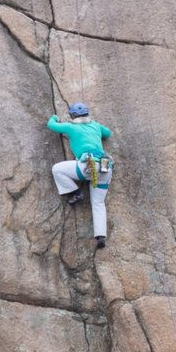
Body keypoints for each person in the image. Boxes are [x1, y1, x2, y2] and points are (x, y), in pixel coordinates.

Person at [49, 102, 115, 250]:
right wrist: (94, 126)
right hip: (104, 166)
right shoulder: (96, 126)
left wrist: (53, 116)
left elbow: (51, 125)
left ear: (72, 116)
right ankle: (100, 237)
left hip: (87, 165)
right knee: (98, 203)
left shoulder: (71, 127)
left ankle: (75, 192)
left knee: (57, 169)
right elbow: (108, 134)